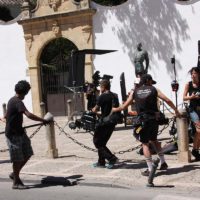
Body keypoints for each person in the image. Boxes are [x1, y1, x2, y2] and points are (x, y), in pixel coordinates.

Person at [113, 74, 181, 176]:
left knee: (145, 144)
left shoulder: (135, 91)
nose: (151, 83)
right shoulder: (154, 89)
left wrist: (114, 109)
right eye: (151, 81)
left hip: (143, 120)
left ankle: (150, 169)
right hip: (154, 120)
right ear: (148, 80)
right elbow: (167, 100)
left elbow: (123, 107)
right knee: (154, 140)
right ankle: (163, 162)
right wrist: (176, 111)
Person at [4, 80, 49, 189]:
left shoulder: (12, 100)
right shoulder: (18, 102)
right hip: (13, 135)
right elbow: (28, 115)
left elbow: (8, 115)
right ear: (25, 92)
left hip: (20, 133)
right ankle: (16, 182)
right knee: (17, 159)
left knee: (28, 153)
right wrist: (43, 120)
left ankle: (15, 173)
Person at [92, 79, 119, 169]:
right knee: (102, 143)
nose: (100, 88)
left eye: (100, 87)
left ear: (103, 87)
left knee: (97, 142)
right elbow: (113, 109)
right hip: (112, 122)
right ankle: (101, 162)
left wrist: (94, 110)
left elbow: (95, 109)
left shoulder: (102, 96)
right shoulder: (115, 96)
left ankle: (112, 158)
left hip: (104, 122)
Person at [183, 67, 200, 161]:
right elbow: (184, 98)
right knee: (199, 130)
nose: (193, 75)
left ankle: (195, 150)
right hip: (193, 109)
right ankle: (195, 149)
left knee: (199, 132)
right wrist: (191, 97)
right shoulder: (188, 85)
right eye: (192, 74)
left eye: (195, 73)